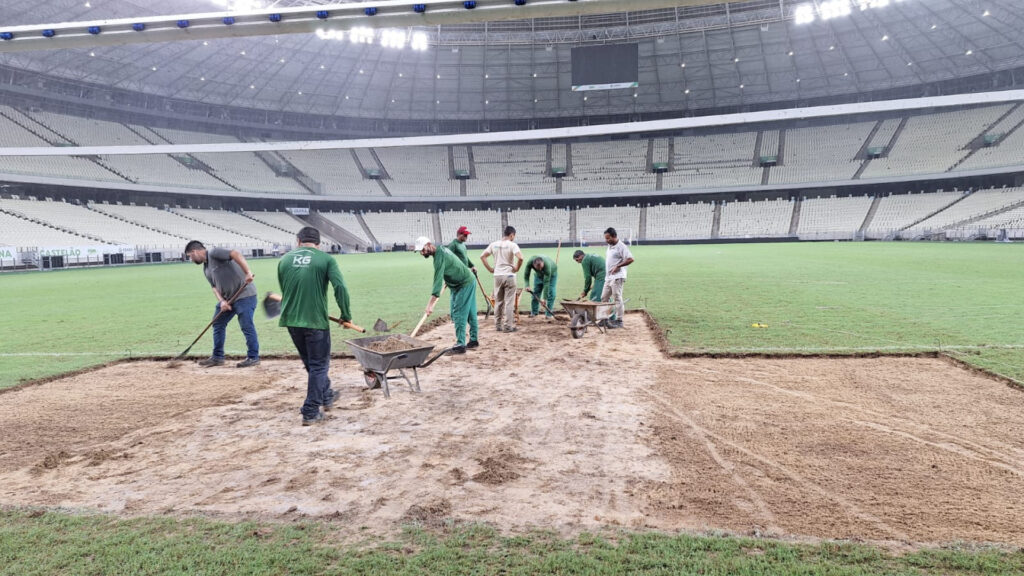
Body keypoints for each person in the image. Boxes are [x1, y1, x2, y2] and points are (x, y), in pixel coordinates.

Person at [277, 226, 353, 426]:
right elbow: (341, 288)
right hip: (315, 322)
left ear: (298, 241)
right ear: (318, 244)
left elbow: (285, 289)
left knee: (311, 364)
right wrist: (346, 316)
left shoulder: (284, 260)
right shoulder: (325, 259)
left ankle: (327, 394)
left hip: (292, 321)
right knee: (319, 365)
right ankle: (310, 410)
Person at [184, 240, 259, 368]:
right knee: (217, 323)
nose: (191, 259)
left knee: (246, 325)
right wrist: (222, 301)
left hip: (245, 295)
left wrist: (247, 272)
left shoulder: (214, 252)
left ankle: (253, 357)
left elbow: (236, 254)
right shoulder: (206, 268)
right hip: (228, 300)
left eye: (190, 256)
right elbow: (214, 287)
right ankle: (217, 357)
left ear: (195, 251)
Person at [415, 236, 478, 354]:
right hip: (468, 280)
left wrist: (430, 305)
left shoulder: (439, 256)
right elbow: (453, 264)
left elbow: (437, 283)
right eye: (420, 251)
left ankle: (460, 344)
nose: (422, 253)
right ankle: (474, 340)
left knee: (459, 313)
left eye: (422, 250)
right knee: (470, 312)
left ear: (429, 244)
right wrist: (449, 279)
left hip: (464, 284)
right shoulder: (442, 249)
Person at [480, 226, 524, 332]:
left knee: (499, 301)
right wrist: (517, 268)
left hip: (497, 276)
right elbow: (521, 258)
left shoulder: (493, 244)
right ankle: (508, 326)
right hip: (509, 275)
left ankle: (498, 325)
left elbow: (482, 256)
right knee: (509, 302)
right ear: (511, 235)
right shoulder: (512, 245)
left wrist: (490, 269)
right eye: (514, 236)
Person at [602, 227, 635, 329]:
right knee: (604, 298)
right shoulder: (610, 246)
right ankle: (605, 319)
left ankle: (619, 320)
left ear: (614, 236)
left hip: (618, 276)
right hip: (609, 277)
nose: (606, 240)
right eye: (606, 238)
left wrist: (618, 266)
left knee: (617, 298)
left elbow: (630, 259)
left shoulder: (622, 247)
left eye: (608, 238)